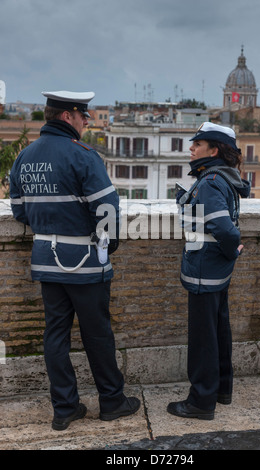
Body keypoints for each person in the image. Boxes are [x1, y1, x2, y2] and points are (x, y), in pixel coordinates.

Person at [9, 90, 140, 430]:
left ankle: (65, 408)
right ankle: (112, 401)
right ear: (67, 116)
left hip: (45, 260)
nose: (87, 120)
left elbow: (20, 212)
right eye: (84, 115)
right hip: (84, 261)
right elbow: (108, 211)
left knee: (55, 336)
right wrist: (106, 247)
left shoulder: (25, 157)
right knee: (97, 335)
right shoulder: (83, 155)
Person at [167, 122, 250, 420]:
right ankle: (221, 390)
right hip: (217, 271)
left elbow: (225, 231)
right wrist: (230, 254)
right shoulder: (221, 178)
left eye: (197, 144)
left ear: (214, 150)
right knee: (218, 332)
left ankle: (201, 402)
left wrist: (232, 249)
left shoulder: (210, 181)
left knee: (204, 339)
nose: (191, 148)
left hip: (204, 271)